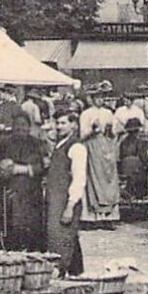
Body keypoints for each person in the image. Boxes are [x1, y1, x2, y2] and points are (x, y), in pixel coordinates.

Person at [0, 111, 48, 251]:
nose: (20, 128)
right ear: (12, 127)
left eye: (24, 125)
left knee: (31, 227)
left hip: (31, 193)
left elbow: (42, 167)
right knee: (10, 227)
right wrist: (3, 170)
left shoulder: (37, 144)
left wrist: (21, 169)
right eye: (17, 125)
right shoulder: (5, 144)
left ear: (29, 127)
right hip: (9, 193)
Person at [45, 109, 89, 276]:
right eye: (57, 123)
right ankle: (77, 273)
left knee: (62, 240)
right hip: (55, 200)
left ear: (73, 125)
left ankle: (62, 273)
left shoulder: (76, 147)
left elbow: (79, 179)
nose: (59, 126)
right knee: (66, 238)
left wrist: (70, 206)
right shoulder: (60, 145)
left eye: (63, 123)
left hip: (66, 201)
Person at [80, 88, 121, 225]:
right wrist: (92, 130)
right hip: (92, 148)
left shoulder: (108, 113)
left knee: (108, 179)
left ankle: (108, 217)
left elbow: (114, 132)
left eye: (102, 97)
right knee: (92, 180)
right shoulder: (86, 114)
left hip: (106, 149)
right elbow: (82, 135)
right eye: (97, 97)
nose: (100, 100)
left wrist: (110, 131)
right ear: (91, 99)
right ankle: (91, 218)